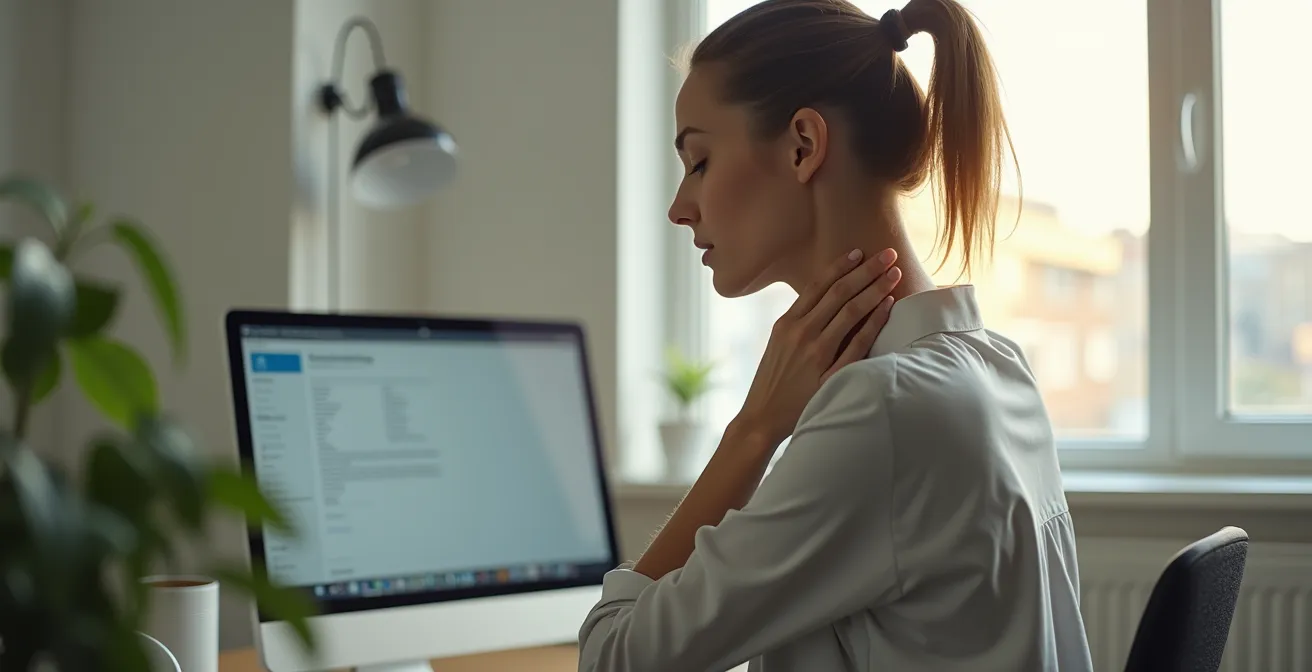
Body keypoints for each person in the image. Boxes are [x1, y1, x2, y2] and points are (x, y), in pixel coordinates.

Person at [579, 0, 1092, 670]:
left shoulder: (883, 409)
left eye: (699, 161)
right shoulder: (996, 364)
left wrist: (753, 430)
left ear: (803, 145)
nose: (680, 208)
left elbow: (614, 657)